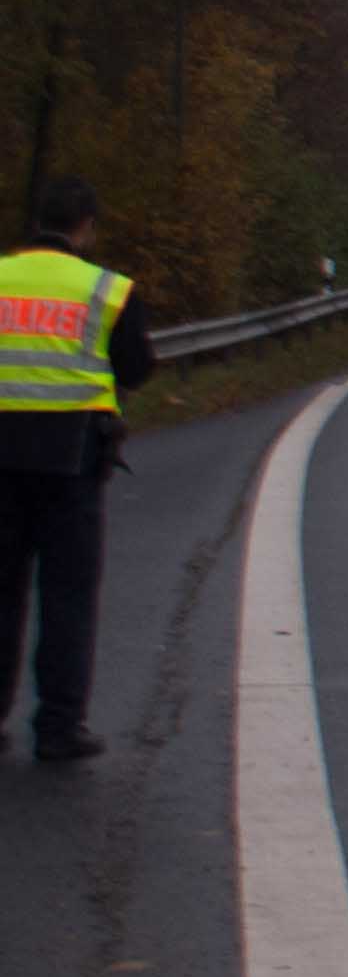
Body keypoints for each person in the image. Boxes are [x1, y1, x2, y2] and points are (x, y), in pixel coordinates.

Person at [1, 177, 156, 762]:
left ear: (37, 220)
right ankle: (59, 726)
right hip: (72, 462)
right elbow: (135, 368)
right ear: (86, 226)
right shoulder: (107, 290)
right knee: (67, 595)